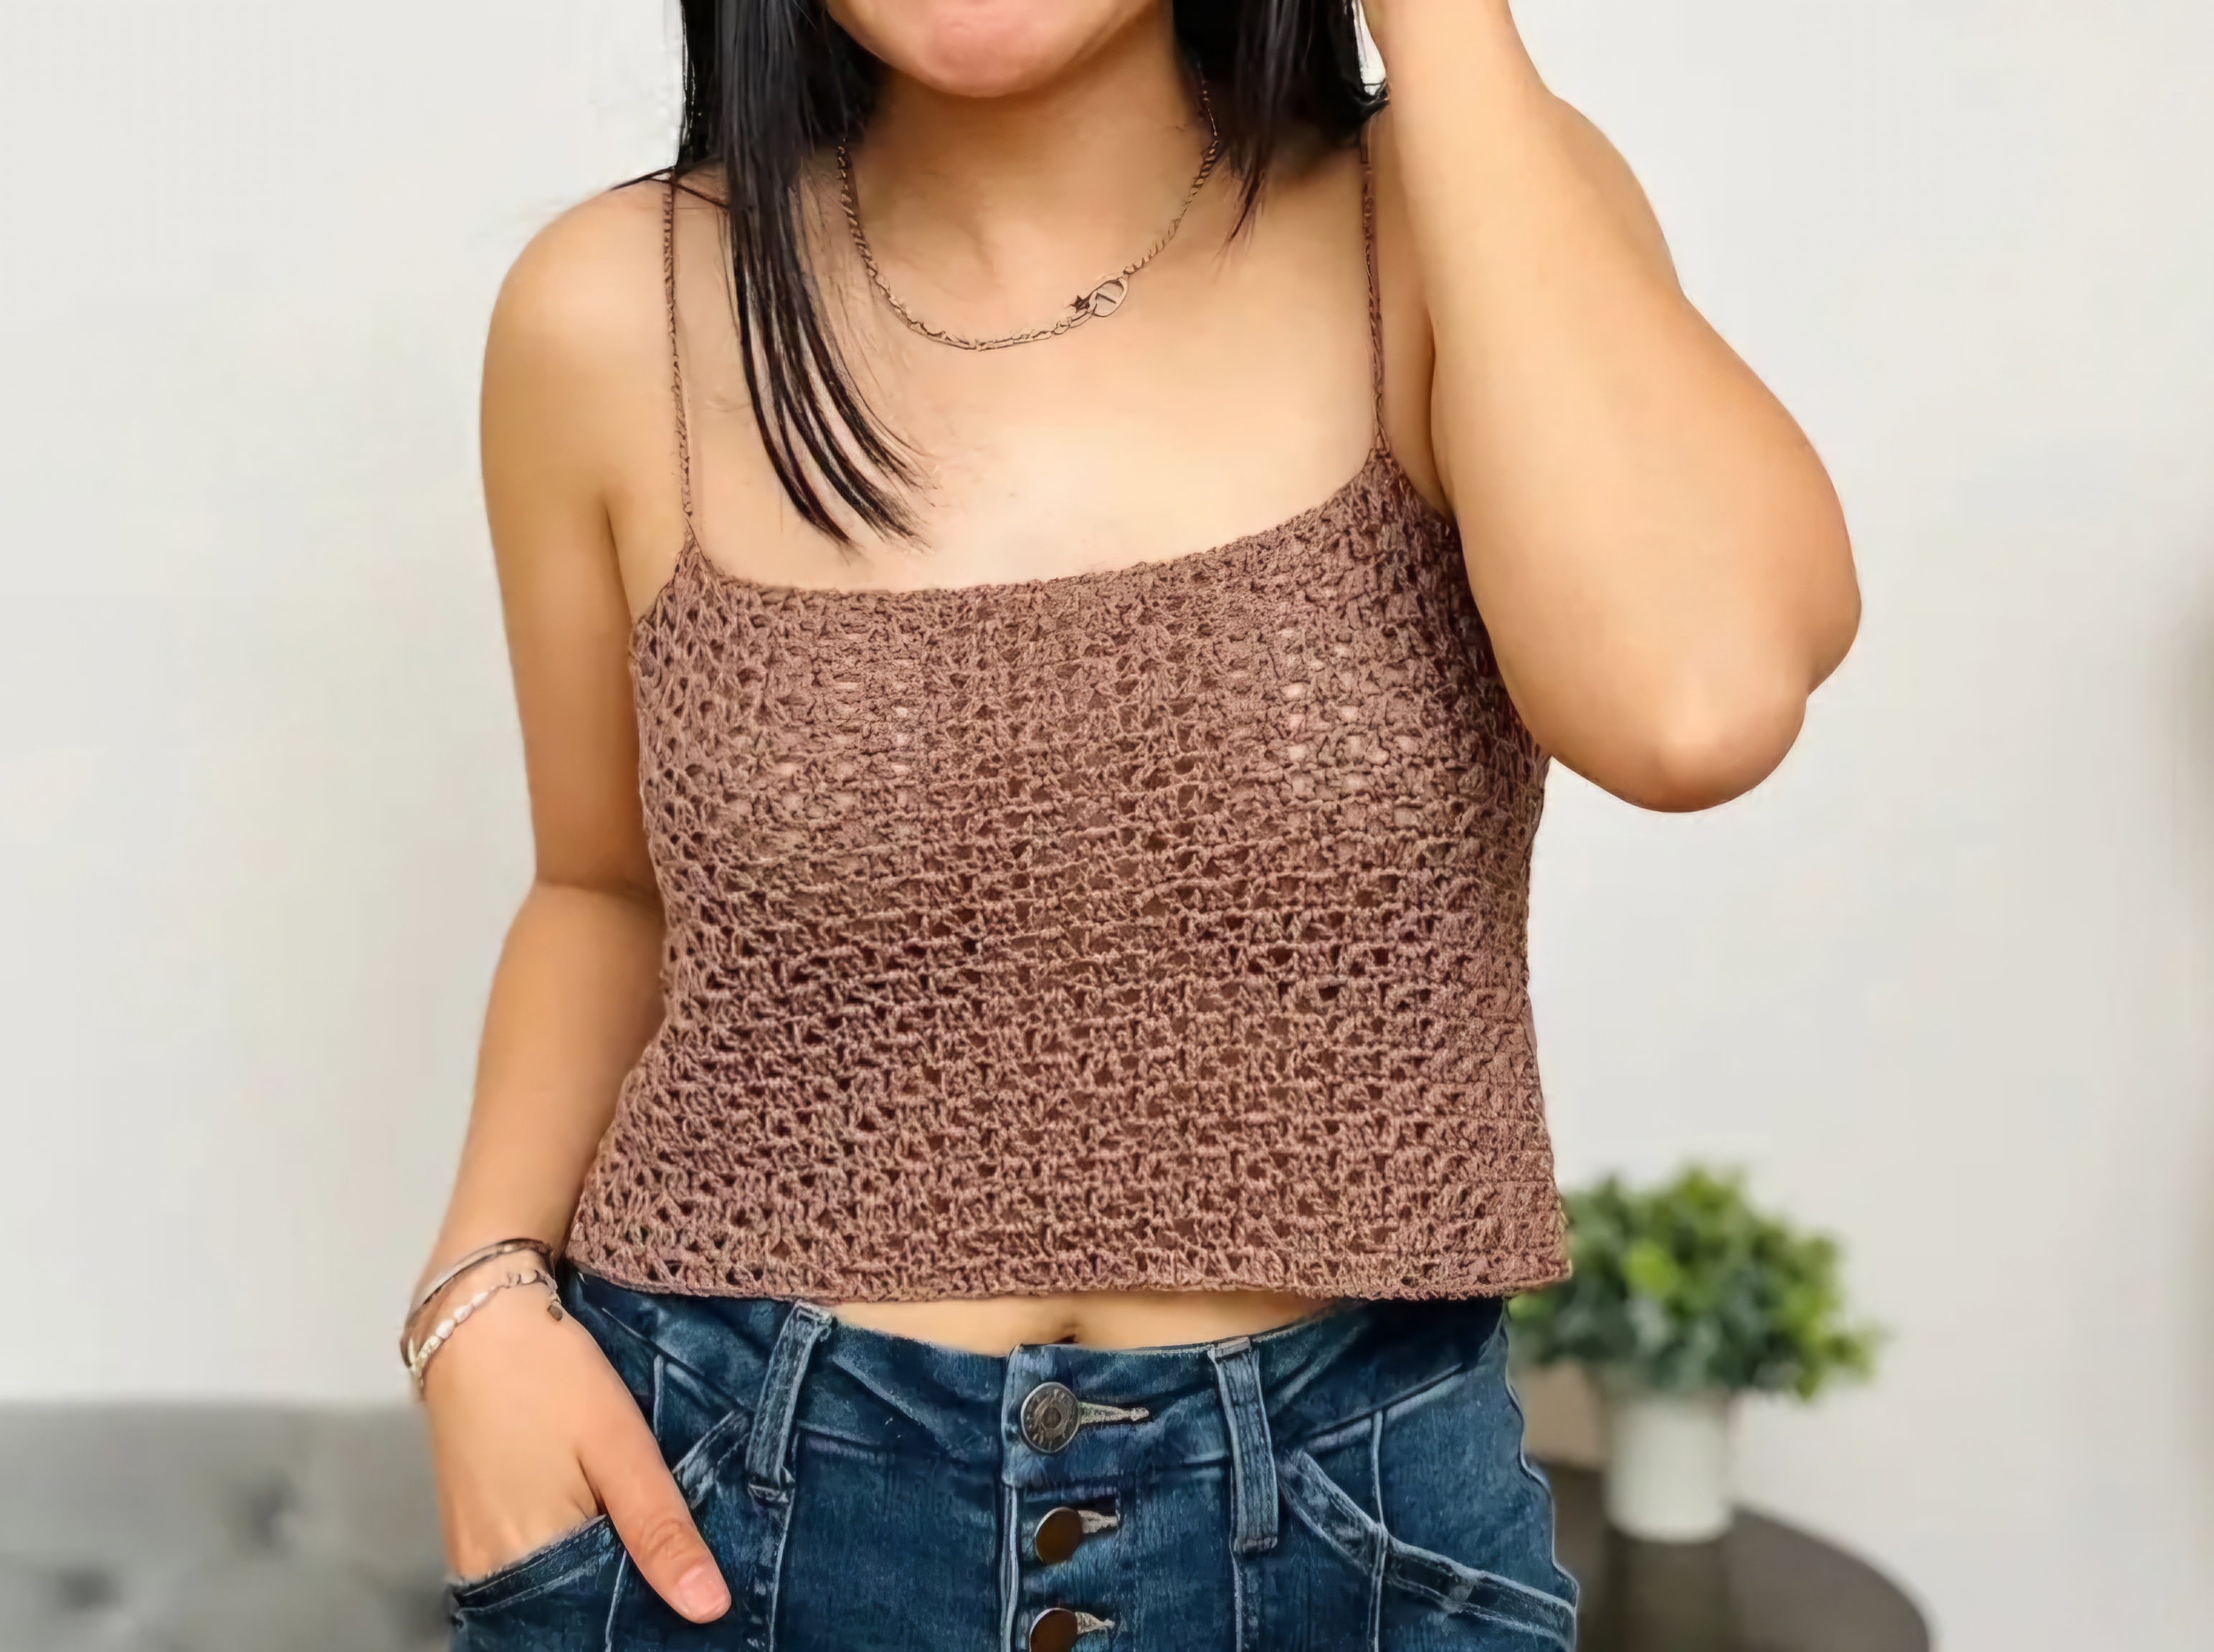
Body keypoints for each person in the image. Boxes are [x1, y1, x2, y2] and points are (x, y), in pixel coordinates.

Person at [408, 2, 1859, 1647]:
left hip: (1352, 1529)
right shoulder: (619, 311)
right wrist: (479, 1297)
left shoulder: (1443, 215)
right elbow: (603, 890)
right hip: (728, 1509)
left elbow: (1689, 703)